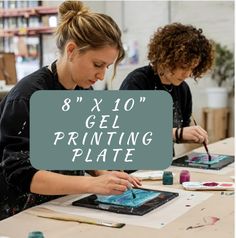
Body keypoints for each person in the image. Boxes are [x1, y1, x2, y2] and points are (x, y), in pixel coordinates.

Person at [0, 1, 141, 220]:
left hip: (62, 204)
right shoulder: (28, 96)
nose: (102, 75)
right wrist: (93, 183)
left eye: (107, 67)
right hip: (21, 213)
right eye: (97, 64)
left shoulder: (84, 92)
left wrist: (107, 175)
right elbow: (21, 174)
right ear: (72, 50)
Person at [120, 23, 214, 146]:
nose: (187, 74)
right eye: (183, 67)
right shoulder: (137, 82)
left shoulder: (183, 89)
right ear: (165, 59)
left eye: (192, 68)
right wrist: (177, 133)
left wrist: (192, 135)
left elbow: (180, 131)